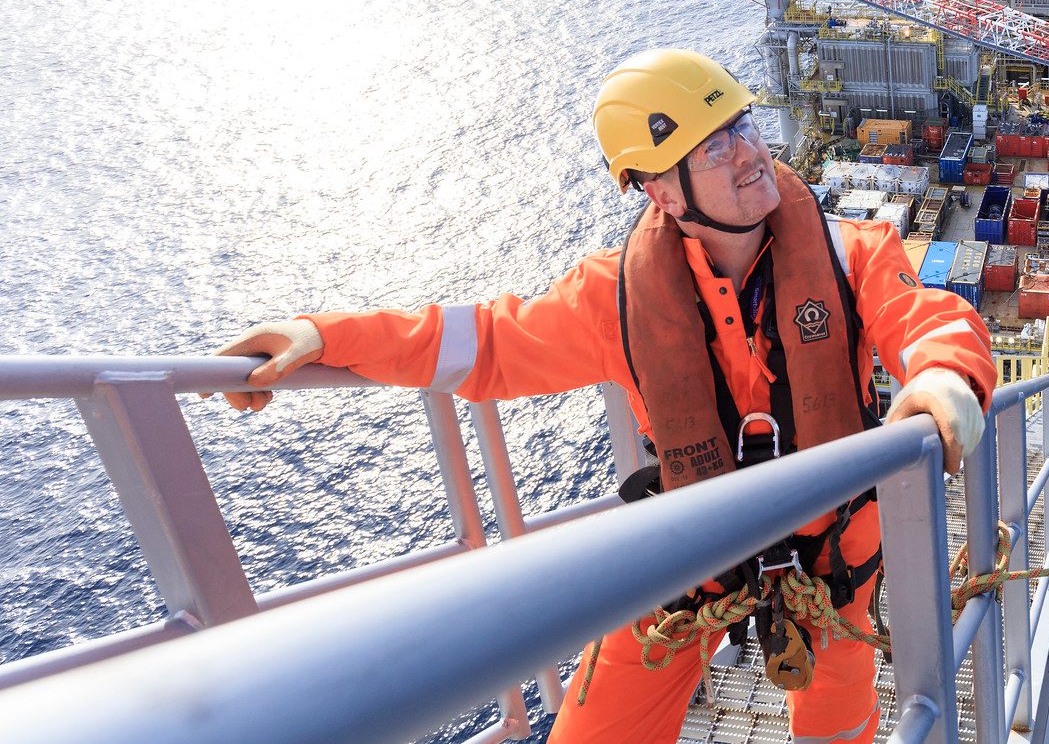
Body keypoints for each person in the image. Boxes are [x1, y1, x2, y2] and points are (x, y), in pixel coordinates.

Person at [207, 49, 995, 744]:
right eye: (713, 145)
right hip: (692, 565)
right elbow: (481, 342)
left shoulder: (852, 251)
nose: (750, 154)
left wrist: (944, 377)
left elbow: (924, 317)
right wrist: (327, 336)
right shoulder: (613, 298)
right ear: (660, 190)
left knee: (841, 733)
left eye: (745, 126)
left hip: (835, 574)